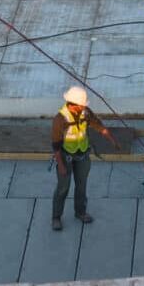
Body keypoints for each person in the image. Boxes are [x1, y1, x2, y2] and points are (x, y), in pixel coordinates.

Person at [50, 84, 96, 232]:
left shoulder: (85, 113)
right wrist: (61, 165)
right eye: (82, 105)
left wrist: (109, 136)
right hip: (66, 158)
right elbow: (56, 146)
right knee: (63, 188)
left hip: (82, 155)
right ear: (74, 105)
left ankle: (80, 212)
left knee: (81, 186)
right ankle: (56, 217)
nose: (84, 107)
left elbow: (97, 123)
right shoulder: (60, 119)